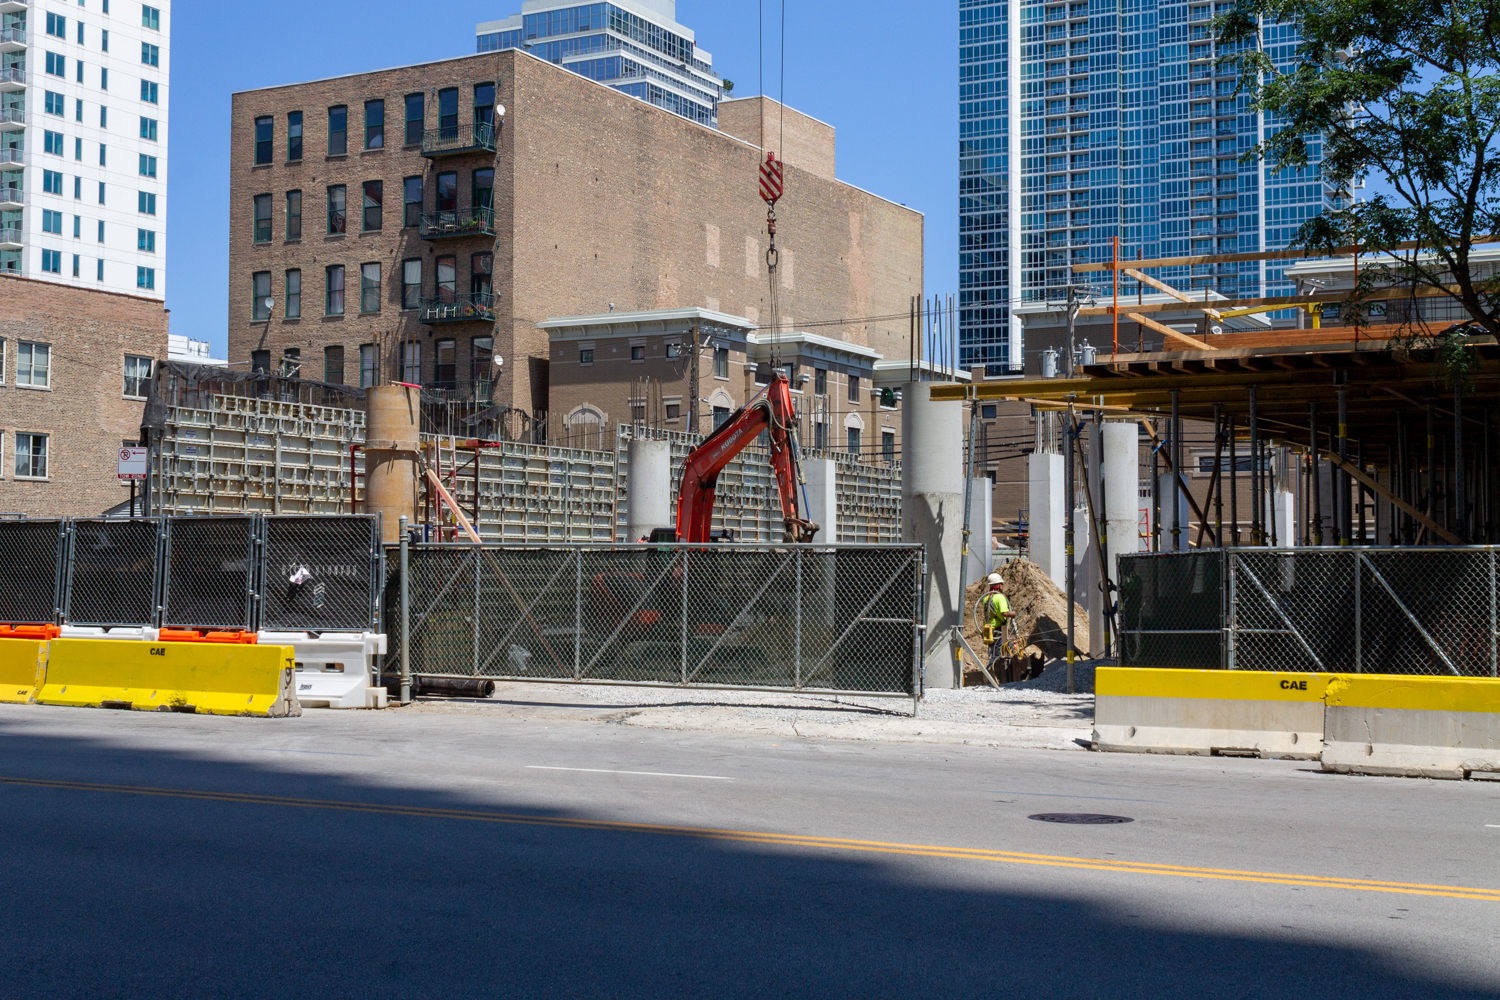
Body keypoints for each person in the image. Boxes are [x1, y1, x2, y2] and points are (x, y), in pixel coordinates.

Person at [981, 572, 1016, 678]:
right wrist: (1013, 614)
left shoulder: (986, 598)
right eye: (1002, 584)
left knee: (994, 651)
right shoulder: (999, 598)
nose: (1003, 586)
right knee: (998, 654)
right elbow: (1004, 613)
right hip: (999, 629)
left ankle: (995, 673)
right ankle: (992, 675)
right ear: (999, 585)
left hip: (989, 629)